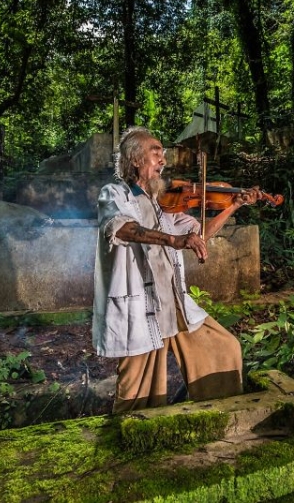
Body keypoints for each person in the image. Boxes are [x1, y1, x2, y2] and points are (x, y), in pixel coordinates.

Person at [92, 126, 262, 412]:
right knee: (140, 396)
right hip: (140, 309)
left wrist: (232, 206)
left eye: (163, 155)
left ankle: (219, 417)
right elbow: (123, 228)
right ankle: (129, 447)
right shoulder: (115, 194)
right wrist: (173, 240)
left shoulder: (163, 205)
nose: (163, 161)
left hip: (174, 305)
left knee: (223, 348)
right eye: (156, 153)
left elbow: (200, 234)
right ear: (135, 159)